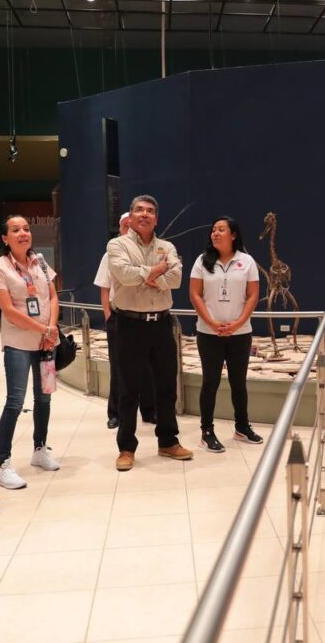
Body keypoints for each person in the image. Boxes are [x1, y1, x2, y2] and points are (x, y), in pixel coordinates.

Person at [107, 195, 191, 471]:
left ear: (156, 218)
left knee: (166, 386)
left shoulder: (167, 246)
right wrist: (156, 271)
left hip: (162, 324)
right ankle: (126, 448)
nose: (144, 214)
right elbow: (124, 275)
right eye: (139, 210)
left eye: (150, 211)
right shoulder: (117, 244)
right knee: (129, 389)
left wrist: (146, 275)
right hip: (130, 325)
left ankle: (168, 441)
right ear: (130, 217)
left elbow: (176, 279)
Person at [0, 215, 61, 490]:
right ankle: (2, 465)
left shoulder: (39, 261)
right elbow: (8, 310)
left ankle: (40, 450)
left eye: (26, 229)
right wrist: (44, 330)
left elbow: (53, 296)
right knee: (15, 402)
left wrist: (51, 329)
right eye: (15, 230)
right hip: (18, 344)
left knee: (44, 400)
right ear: (5, 238)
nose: (23, 233)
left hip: (45, 343)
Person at [189, 216, 264, 452]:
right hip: (208, 333)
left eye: (221, 229)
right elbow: (195, 294)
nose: (215, 233)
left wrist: (238, 322)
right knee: (209, 382)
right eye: (213, 230)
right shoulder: (202, 261)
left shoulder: (247, 261)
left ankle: (242, 427)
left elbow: (252, 295)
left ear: (233, 235)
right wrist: (211, 323)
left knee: (238, 383)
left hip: (240, 333)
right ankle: (207, 431)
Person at [94, 211, 157, 430]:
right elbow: (105, 288)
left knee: (148, 366)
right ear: (120, 229)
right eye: (125, 226)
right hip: (119, 317)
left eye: (133, 226)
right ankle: (116, 413)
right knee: (119, 366)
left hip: (145, 317)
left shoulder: (150, 253)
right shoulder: (110, 254)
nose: (130, 230)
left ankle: (150, 410)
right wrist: (109, 316)